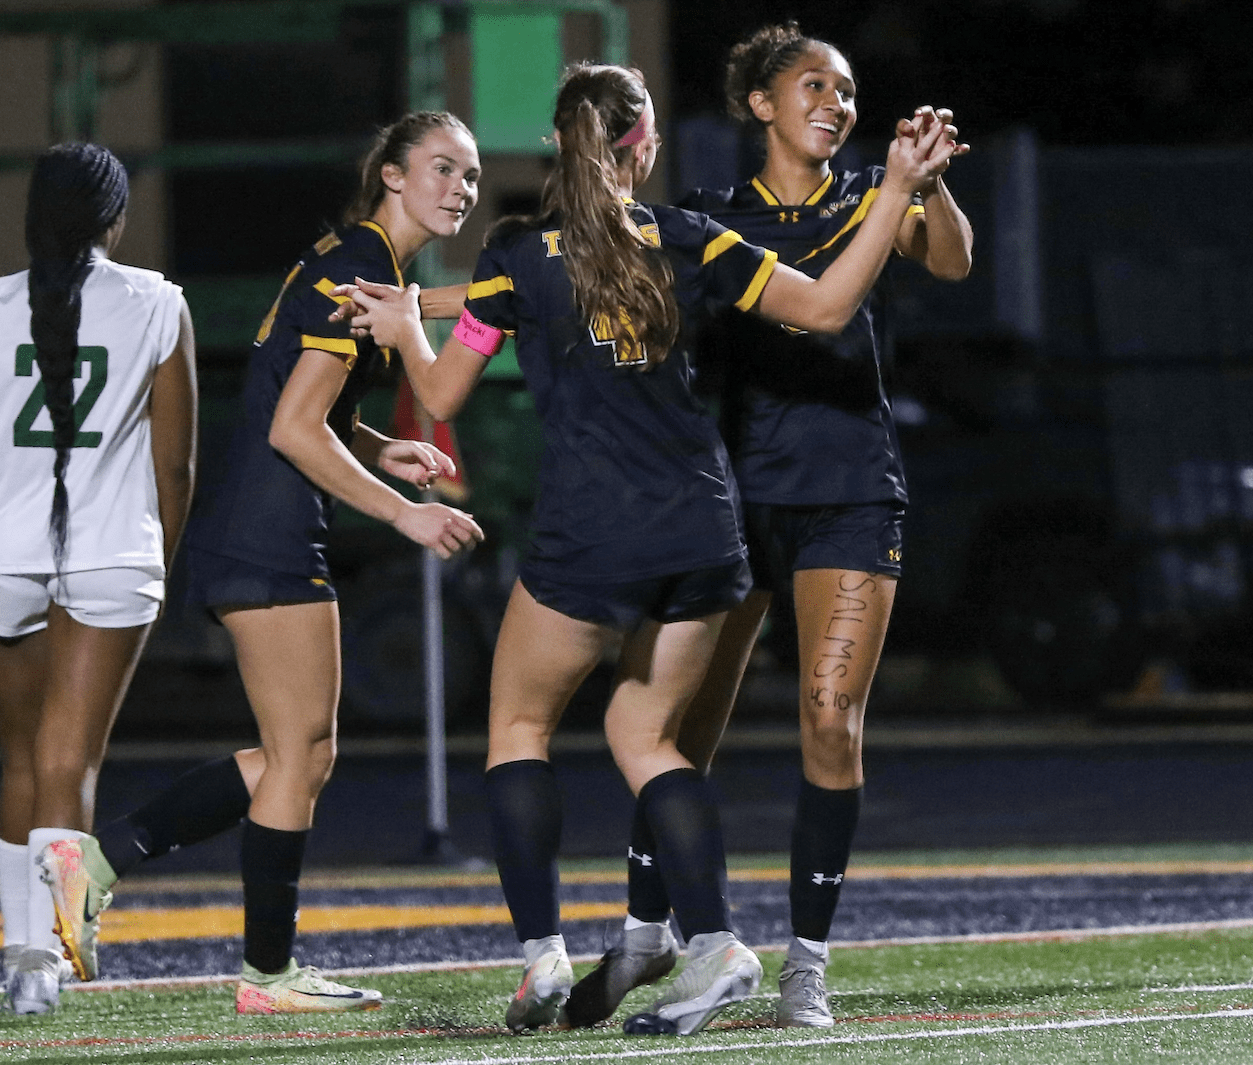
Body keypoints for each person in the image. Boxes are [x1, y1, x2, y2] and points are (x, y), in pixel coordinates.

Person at [337, 60, 960, 1036]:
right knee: (648, 739)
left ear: (559, 142)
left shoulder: (517, 254)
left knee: (518, 728)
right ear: (645, 146)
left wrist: (408, 325)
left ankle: (542, 955)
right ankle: (713, 945)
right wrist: (896, 191)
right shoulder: (687, 234)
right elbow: (831, 306)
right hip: (704, 531)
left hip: (591, 533)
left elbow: (443, 396)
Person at [566, 23, 974, 1031]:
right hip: (732, 500)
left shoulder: (871, 197)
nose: (837, 102)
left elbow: (953, 260)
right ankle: (647, 932)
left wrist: (926, 184)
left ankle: (807, 966)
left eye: (847, 89)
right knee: (677, 730)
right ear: (760, 104)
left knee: (831, 720)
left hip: (850, 493)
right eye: (814, 86)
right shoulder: (711, 218)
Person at [33, 111, 485, 1016]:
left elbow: (301, 401)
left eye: (470, 175)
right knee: (300, 753)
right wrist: (404, 512)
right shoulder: (358, 267)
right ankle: (254, 965)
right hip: (267, 529)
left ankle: (111, 864)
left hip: (262, 523)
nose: (461, 189)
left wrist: (380, 446)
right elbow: (291, 428)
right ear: (393, 176)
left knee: (300, 754)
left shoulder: (360, 261)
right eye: (443, 168)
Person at [0, 143, 198, 1014]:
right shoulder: (157, 301)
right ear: (114, 219)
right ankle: (44, 960)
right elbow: (175, 465)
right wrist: (162, 561)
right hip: (113, 553)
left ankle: (22, 947)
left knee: (19, 757)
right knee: (67, 759)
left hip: (6, 553)